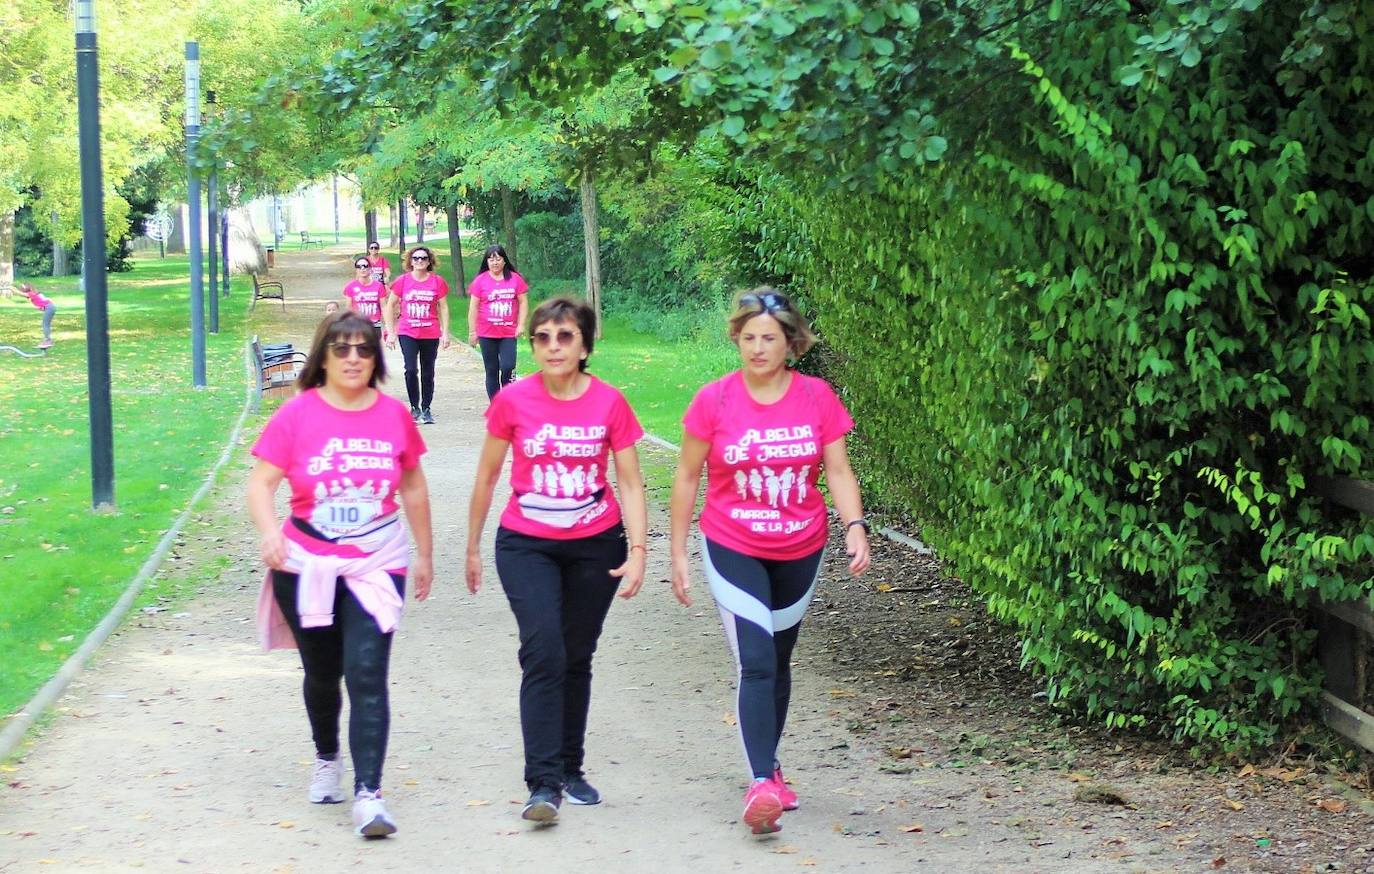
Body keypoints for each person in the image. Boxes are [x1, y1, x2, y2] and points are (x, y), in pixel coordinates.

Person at [668, 287, 871, 836]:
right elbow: (688, 476)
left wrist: (855, 526)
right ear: (737, 338)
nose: (758, 348)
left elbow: (838, 470)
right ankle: (760, 781)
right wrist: (677, 550)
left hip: (800, 545)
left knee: (780, 660)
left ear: (791, 343)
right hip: (732, 542)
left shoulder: (816, 397)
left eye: (770, 339)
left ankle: (772, 765)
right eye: (749, 338)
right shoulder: (714, 400)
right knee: (756, 660)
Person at [246, 310, 434, 839]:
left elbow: (414, 486)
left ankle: (370, 796)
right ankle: (327, 755)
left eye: (364, 349)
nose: (353, 358)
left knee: (369, 673)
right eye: (342, 348)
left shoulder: (394, 415)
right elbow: (261, 484)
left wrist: (425, 553)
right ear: (323, 356)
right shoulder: (296, 415)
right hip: (307, 564)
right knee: (323, 673)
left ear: (375, 358)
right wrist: (269, 532)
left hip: (377, 560)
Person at [465, 296, 648, 824]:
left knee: (576, 653)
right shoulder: (512, 400)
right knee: (544, 649)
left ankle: (571, 767)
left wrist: (638, 550)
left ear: (585, 343)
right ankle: (542, 783)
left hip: (597, 542)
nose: (552, 346)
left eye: (564, 336)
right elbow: (486, 477)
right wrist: (474, 546)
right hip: (527, 544)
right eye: (542, 337)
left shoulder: (610, 402)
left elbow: (631, 483)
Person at [384, 245, 450, 425]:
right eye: (416, 258)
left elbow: (443, 307)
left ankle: (426, 408)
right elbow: (389, 306)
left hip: (430, 332)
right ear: (410, 261)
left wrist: (445, 332)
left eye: (423, 258)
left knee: (428, 371)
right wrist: (391, 332)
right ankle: (414, 407)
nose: (419, 261)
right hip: (408, 331)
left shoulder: (437, 282)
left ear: (429, 261)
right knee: (411, 369)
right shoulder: (402, 281)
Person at [466, 245, 528, 400]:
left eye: (498, 259)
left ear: (504, 261)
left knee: (508, 367)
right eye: (491, 259)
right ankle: (496, 405)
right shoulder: (480, 281)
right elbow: (473, 307)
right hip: (486, 333)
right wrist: (473, 332)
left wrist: (521, 324)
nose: (495, 262)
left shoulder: (515, 279)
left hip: (508, 332)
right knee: (492, 369)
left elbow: (523, 303)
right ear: (487, 262)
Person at [343, 256, 387, 335]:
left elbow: (384, 307)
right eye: (359, 267)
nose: (362, 269)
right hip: (358, 324)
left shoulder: (378, 286)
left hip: (374, 324)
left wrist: (387, 326)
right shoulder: (350, 286)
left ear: (370, 269)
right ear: (356, 270)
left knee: (375, 347)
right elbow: (349, 308)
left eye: (365, 266)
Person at [12, 284, 56, 349]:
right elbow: (49, 299)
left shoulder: (31, 294)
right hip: (50, 307)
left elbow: (19, 293)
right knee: (46, 324)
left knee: (45, 324)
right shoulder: (34, 293)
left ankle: (48, 340)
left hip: (49, 308)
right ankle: (47, 340)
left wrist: (11, 289)